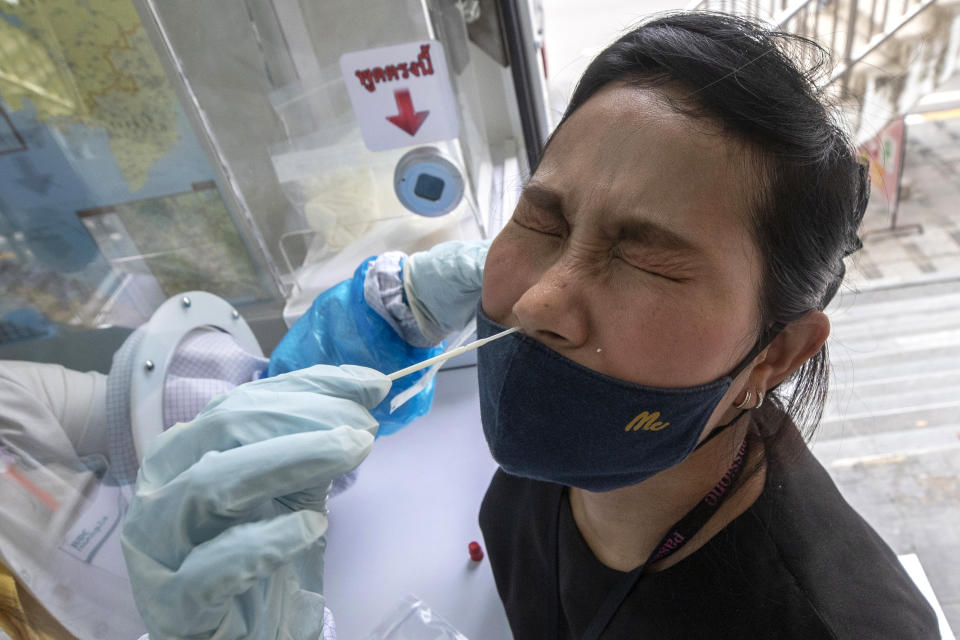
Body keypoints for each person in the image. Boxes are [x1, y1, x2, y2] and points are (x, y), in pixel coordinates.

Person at [115, 10, 940, 640]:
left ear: (778, 354)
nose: (539, 302)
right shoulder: (564, 442)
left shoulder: (837, 623)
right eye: (541, 221)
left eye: (648, 259)